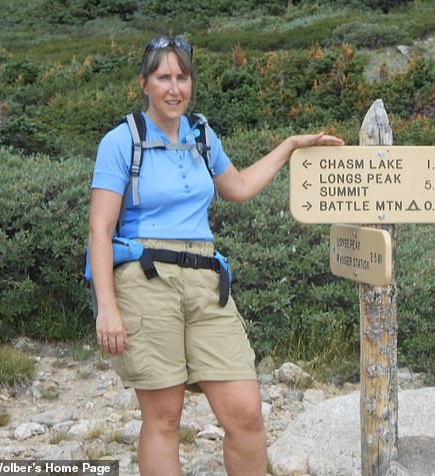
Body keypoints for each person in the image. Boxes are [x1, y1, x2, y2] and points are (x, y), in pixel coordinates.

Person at [88, 35, 344, 476]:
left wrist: (288, 147)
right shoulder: (120, 141)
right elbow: (100, 228)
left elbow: (238, 188)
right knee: (164, 419)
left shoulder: (202, 135)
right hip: (145, 284)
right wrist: (107, 308)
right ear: (144, 83)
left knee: (245, 413)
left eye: (182, 77)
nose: (174, 88)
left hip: (207, 283)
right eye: (164, 77)